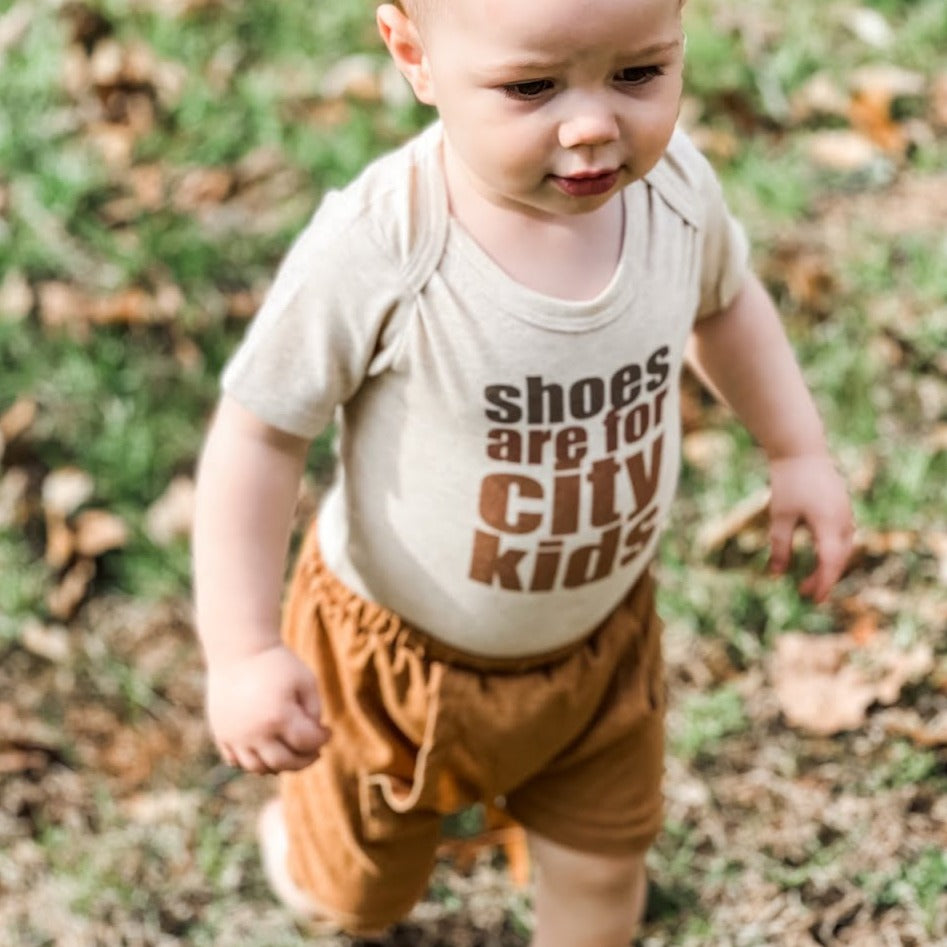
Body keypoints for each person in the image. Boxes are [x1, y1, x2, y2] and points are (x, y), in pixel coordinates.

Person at [192, 0, 854, 942]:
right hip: (394, 664)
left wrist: (796, 450)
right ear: (413, 53)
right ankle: (299, 852)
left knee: (603, 865)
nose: (592, 123)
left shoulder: (673, 196)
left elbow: (724, 302)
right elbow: (258, 436)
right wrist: (244, 650)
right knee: (352, 899)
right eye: (530, 87)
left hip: (597, 643)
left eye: (638, 74)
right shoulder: (386, 245)